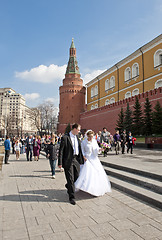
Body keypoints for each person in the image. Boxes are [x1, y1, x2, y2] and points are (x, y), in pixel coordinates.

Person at [75, 130, 111, 196]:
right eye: (90, 136)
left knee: (96, 173)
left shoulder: (94, 141)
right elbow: (82, 150)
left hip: (94, 158)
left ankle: (94, 188)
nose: (91, 138)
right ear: (87, 136)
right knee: (87, 173)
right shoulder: (84, 142)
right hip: (87, 158)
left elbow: (96, 149)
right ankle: (86, 187)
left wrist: (100, 149)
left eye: (92, 136)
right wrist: (83, 157)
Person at [58, 123, 84, 205]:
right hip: (68, 160)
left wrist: (81, 160)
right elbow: (61, 151)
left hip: (76, 160)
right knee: (70, 179)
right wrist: (60, 162)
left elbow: (79, 149)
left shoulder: (77, 137)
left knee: (77, 176)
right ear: (74, 129)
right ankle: (71, 197)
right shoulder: (65, 137)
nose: (79, 131)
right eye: (78, 130)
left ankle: (68, 186)